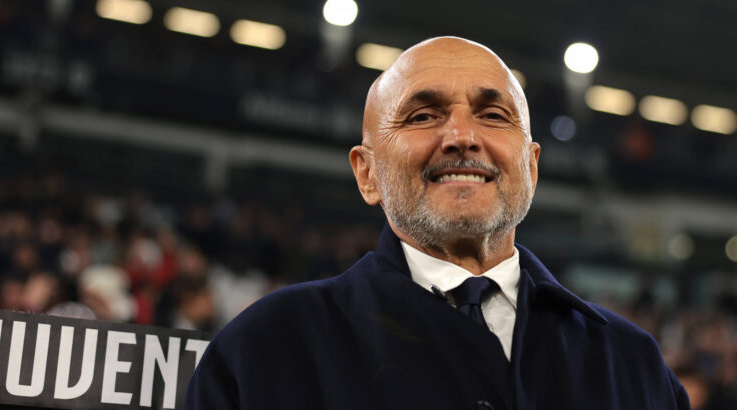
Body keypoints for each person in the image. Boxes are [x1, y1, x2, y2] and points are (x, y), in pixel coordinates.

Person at [185, 37, 691, 410]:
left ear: (532, 168)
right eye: (423, 116)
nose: (461, 136)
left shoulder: (633, 365)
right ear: (367, 174)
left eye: (493, 115)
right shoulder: (269, 348)